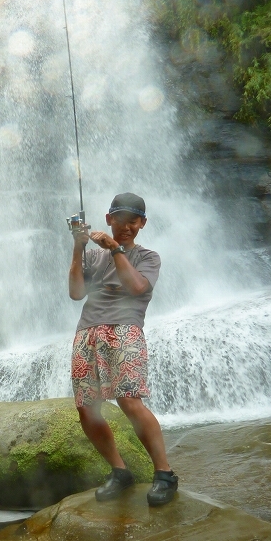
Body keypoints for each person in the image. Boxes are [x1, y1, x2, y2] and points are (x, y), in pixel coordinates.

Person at [68, 192, 178, 506]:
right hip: (87, 331)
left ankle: (165, 474)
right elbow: (76, 292)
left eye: (133, 221)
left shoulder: (148, 257)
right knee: (86, 407)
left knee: (129, 401)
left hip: (125, 330)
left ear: (142, 223)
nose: (125, 226)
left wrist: (116, 249)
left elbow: (137, 288)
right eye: (119, 220)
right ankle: (119, 471)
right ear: (108, 220)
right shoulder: (91, 257)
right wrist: (79, 247)